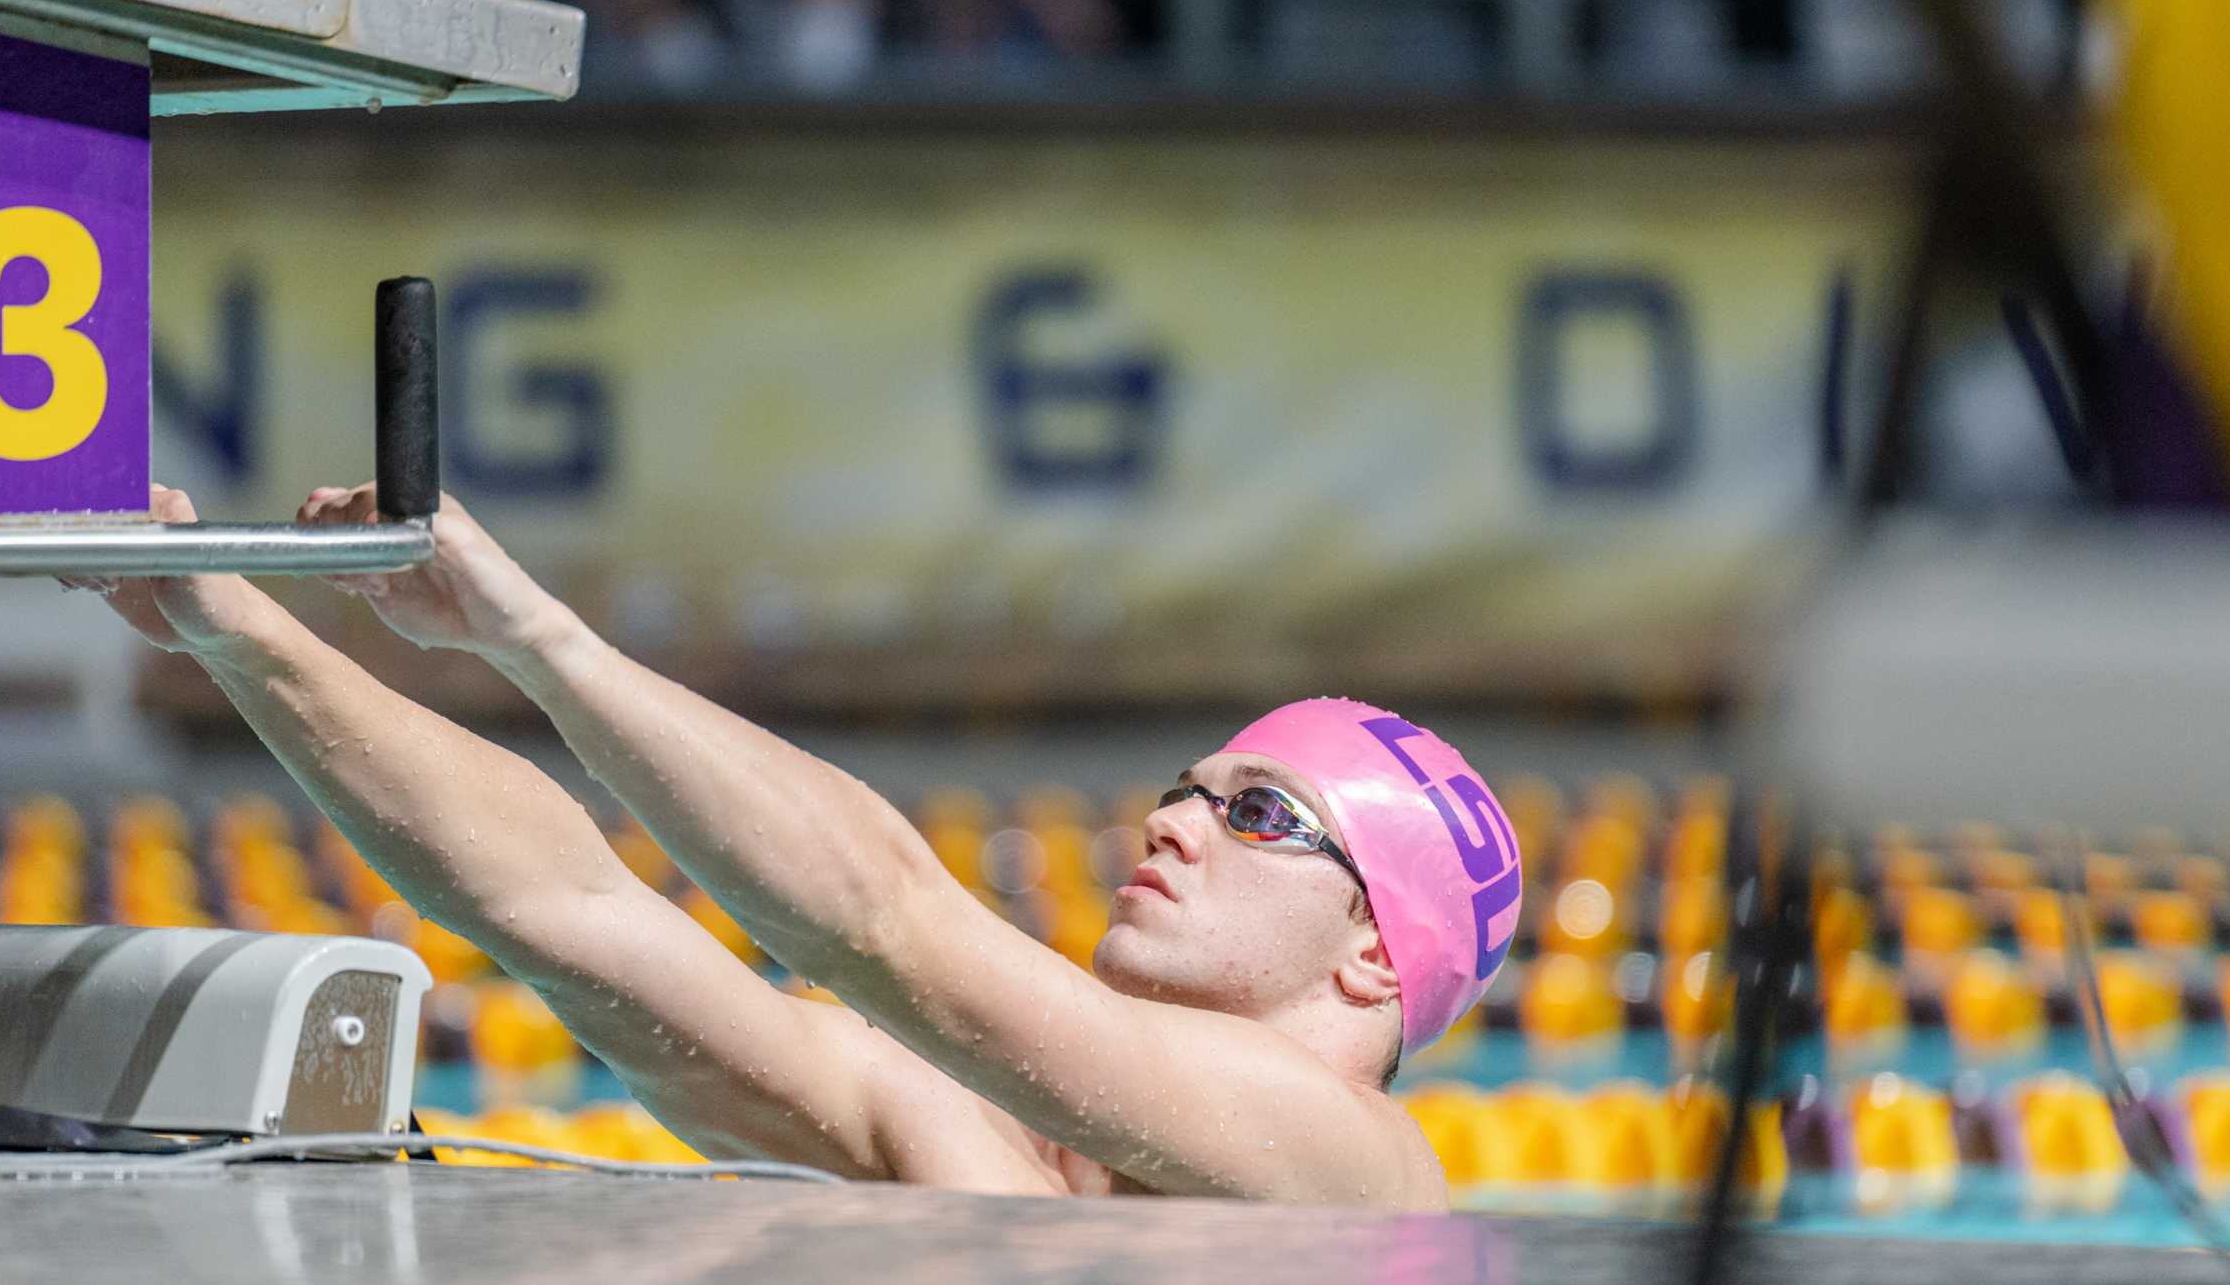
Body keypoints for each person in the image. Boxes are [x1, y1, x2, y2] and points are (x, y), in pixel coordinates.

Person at [92, 484, 1520, 1206]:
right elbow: (574, 911)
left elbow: (885, 922)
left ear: (1374, 963)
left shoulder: (1356, 1176)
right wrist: (239, 628)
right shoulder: (973, 1143)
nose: (1173, 821)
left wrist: (535, 637)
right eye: (1188, 787)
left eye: (1260, 813)